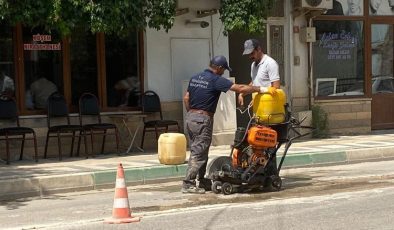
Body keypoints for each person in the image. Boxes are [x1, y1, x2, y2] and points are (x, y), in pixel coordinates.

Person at [182, 55, 274, 194]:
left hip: (191, 118)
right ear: (218, 68)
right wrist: (261, 89)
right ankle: (188, 183)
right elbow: (240, 88)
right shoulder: (215, 80)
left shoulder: (195, 77)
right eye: (223, 69)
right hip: (202, 118)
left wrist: (192, 113)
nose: (223, 72)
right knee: (199, 151)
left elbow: (186, 97)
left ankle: (202, 180)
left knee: (201, 149)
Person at [238, 39, 280, 107]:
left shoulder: (270, 63)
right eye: (248, 54)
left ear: (259, 49)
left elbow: (276, 88)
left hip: (269, 107)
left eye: (252, 53)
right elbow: (253, 83)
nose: (250, 56)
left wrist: (260, 99)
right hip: (258, 107)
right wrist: (241, 94)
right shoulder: (253, 65)